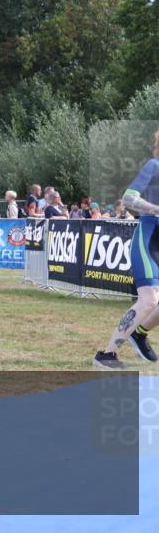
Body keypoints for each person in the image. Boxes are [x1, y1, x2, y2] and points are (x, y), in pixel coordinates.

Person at [93, 130, 159, 369]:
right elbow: (129, 199)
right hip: (149, 238)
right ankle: (107, 354)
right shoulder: (154, 165)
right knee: (149, 300)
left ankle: (139, 334)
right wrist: (156, 208)